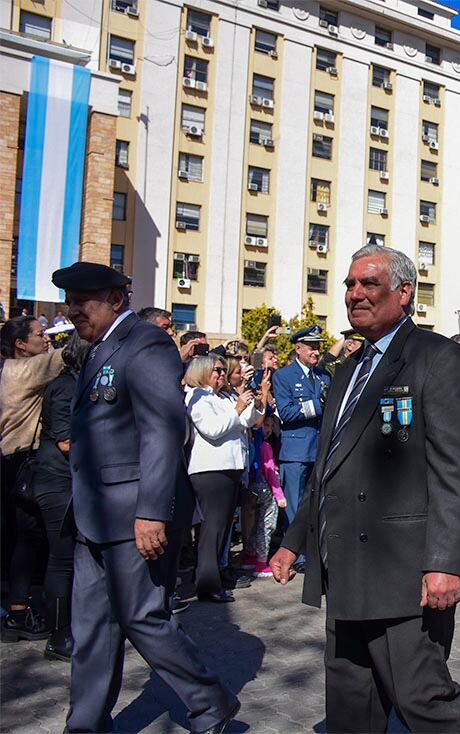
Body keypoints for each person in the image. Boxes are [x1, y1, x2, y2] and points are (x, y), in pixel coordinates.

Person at [271, 244, 460, 733]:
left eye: (369, 284)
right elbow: (327, 467)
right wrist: (292, 540)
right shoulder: (346, 370)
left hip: (402, 577)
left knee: (423, 705)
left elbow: (457, 472)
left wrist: (445, 564)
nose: (354, 294)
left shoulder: (437, 357)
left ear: (403, 292)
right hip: (344, 571)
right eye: (349, 284)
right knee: (350, 711)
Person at [52, 262, 238, 733]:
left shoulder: (146, 343)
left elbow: (163, 428)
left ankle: (209, 700)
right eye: (70, 300)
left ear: (115, 300)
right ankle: (86, 724)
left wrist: (152, 511)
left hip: (137, 512)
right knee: (92, 628)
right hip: (95, 513)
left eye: (83, 300)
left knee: (143, 618)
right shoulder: (98, 349)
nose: (73, 310)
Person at [23, 336, 91, 662]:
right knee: (61, 559)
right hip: (56, 480)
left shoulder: (76, 383)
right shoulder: (65, 386)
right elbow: (65, 441)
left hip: (68, 480)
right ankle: (59, 634)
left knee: (72, 559)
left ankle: (74, 627)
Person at [0, 315, 65, 641]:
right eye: (41, 335)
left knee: (17, 537)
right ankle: (18, 611)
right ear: (20, 345)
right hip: (20, 463)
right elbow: (67, 355)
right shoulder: (25, 369)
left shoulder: (6, 369)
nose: (47, 339)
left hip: (9, 461)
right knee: (26, 539)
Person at [184, 355, 262, 602]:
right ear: (202, 372)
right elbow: (213, 430)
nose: (221, 374)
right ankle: (207, 585)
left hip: (229, 468)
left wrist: (256, 403)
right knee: (212, 530)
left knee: (222, 529)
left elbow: (244, 422)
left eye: (221, 370)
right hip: (211, 470)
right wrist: (237, 407)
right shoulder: (197, 397)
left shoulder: (222, 397)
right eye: (216, 370)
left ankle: (214, 579)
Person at [271, 325, 331, 547]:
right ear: (298, 348)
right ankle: (295, 551)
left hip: (320, 449)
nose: (316, 352)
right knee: (295, 507)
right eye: (311, 348)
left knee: (317, 504)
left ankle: (313, 550)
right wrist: (318, 404)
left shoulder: (324, 375)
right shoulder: (283, 376)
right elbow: (286, 413)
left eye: (318, 347)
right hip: (296, 451)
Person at [243, 414, 285, 578]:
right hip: (266, 488)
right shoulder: (265, 447)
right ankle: (261, 562)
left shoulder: (250, 444)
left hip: (252, 487)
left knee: (253, 525)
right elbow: (270, 473)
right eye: (264, 425)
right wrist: (279, 495)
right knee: (266, 524)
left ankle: (250, 556)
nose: (267, 429)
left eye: (269, 426)